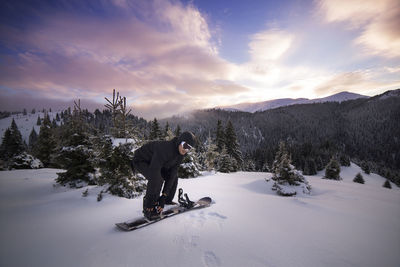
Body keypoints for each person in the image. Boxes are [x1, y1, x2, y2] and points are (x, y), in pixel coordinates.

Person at [131, 131, 196, 220]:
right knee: (157, 178)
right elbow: (154, 172)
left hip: (157, 163)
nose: (185, 149)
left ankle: (167, 201)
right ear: (180, 142)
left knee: (174, 177)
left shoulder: (180, 154)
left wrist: (163, 196)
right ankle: (148, 207)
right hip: (141, 160)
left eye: (189, 148)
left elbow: (173, 173)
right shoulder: (165, 149)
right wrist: (151, 201)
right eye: (185, 145)